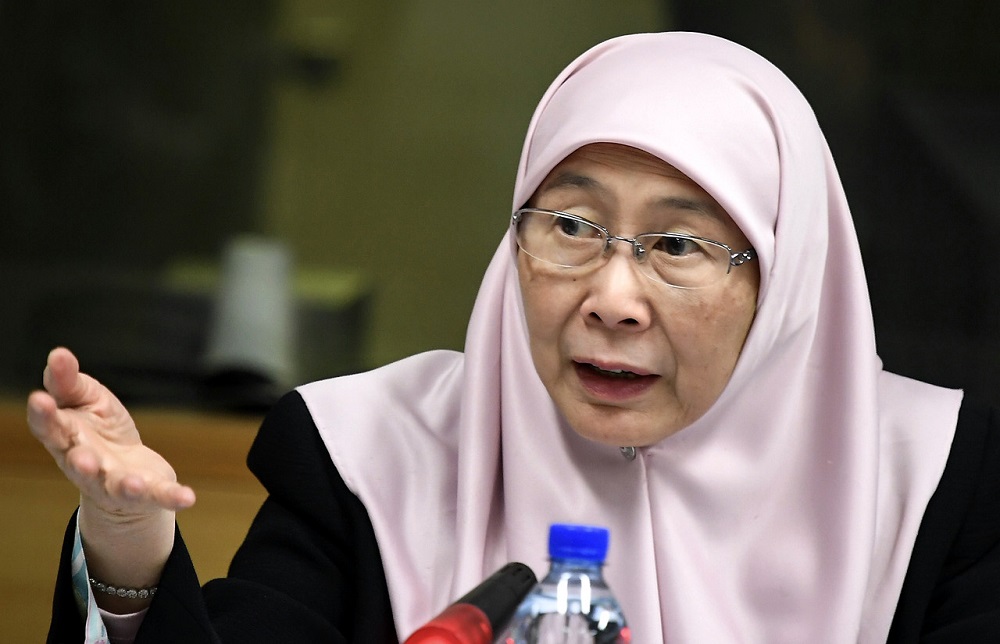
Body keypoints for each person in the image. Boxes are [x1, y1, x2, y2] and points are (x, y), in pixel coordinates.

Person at [28, 32, 1000, 643]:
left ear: (784, 279)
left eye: (674, 244)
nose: (612, 296)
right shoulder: (366, 452)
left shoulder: (932, 484)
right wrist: (128, 540)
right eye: (570, 227)